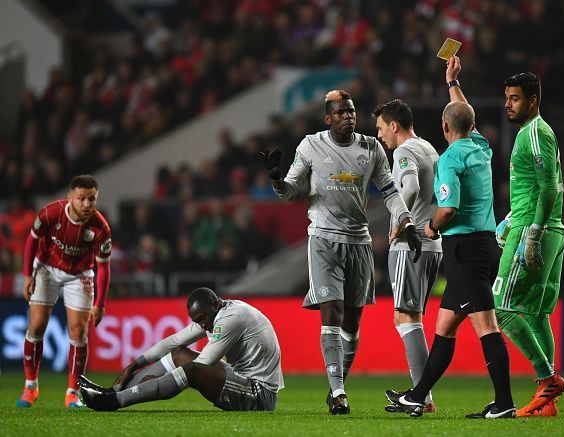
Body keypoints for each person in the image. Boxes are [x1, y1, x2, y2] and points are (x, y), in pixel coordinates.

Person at [260, 90, 422, 415]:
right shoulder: (310, 145)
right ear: (328, 118)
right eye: (342, 112)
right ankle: (338, 393)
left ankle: (339, 384)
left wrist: (406, 220)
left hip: (358, 242)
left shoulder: (371, 147)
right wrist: (277, 180)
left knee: (352, 323)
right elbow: (290, 192)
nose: (349, 116)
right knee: (331, 312)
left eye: (351, 110)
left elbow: (389, 189)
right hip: (322, 238)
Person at [388, 56, 515, 419]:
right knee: (444, 328)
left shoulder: (449, 160)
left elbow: (448, 210)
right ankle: (417, 395)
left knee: (486, 326)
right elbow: (465, 114)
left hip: (465, 249)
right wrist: (452, 83)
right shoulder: (481, 148)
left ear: (444, 126)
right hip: (483, 244)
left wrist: (429, 228)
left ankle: (505, 403)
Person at [493, 72, 564, 417]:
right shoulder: (532, 133)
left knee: (503, 308)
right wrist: (510, 217)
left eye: (515, 98)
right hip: (544, 227)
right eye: (507, 97)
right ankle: (546, 400)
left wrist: (532, 232)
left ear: (533, 100)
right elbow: (536, 188)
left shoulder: (536, 133)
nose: (509, 104)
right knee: (536, 314)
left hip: (535, 230)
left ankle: (546, 377)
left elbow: (549, 188)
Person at [78, 287, 283, 412]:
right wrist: (132, 367)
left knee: (192, 369)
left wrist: (156, 383)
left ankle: (114, 401)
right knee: (178, 354)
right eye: (197, 321)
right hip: (241, 379)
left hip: (259, 395)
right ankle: (111, 391)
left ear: (214, 304)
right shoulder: (215, 312)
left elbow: (201, 366)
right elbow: (172, 342)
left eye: (202, 319)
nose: (202, 326)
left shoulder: (230, 320)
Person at [16, 175, 112, 409]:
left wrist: (100, 303)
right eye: (81, 199)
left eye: (92, 199)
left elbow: (103, 267)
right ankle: (31, 386)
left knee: (79, 332)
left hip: (79, 275)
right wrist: (28, 274)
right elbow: (31, 241)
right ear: (70, 198)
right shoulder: (51, 213)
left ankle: (72, 392)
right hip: (47, 269)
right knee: (36, 326)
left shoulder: (100, 228)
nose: (87, 204)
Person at [373, 99, 442, 413]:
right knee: (411, 317)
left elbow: (410, 187)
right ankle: (422, 393)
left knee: (405, 317)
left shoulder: (403, 152)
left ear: (394, 125)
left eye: (380, 129)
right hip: (433, 244)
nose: (380, 136)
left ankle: (422, 397)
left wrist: (403, 223)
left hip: (410, 245)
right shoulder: (429, 147)